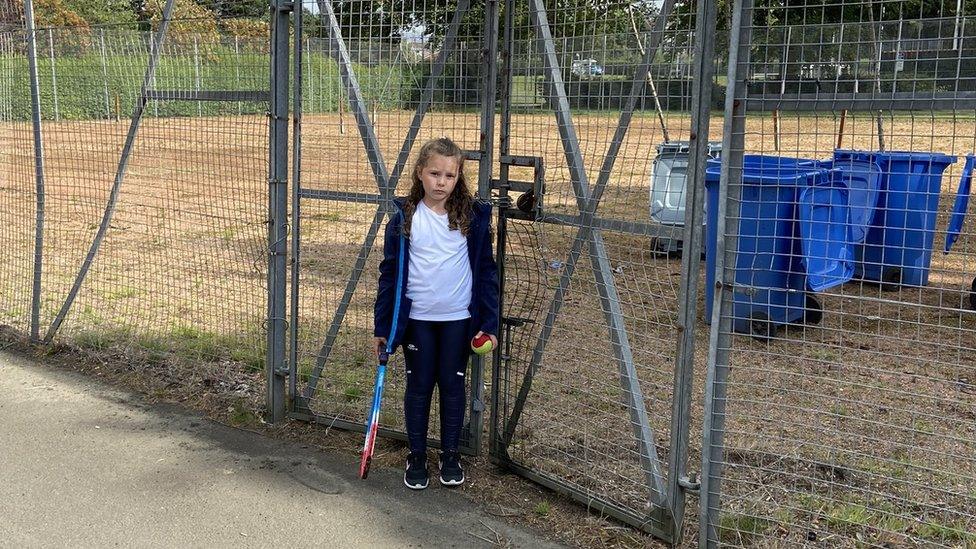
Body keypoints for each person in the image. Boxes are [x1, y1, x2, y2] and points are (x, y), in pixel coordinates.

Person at [373, 137, 498, 490]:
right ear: (419, 173)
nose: (441, 182)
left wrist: (488, 323)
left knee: (453, 385)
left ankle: (451, 453)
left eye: (449, 175)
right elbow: (389, 273)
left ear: (458, 178)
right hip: (418, 321)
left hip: (458, 319)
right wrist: (383, 326)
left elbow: (487, 273)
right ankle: (416, 454)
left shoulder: (471, 218)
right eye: (434, 174)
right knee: (419, 386)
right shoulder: (405, 218)